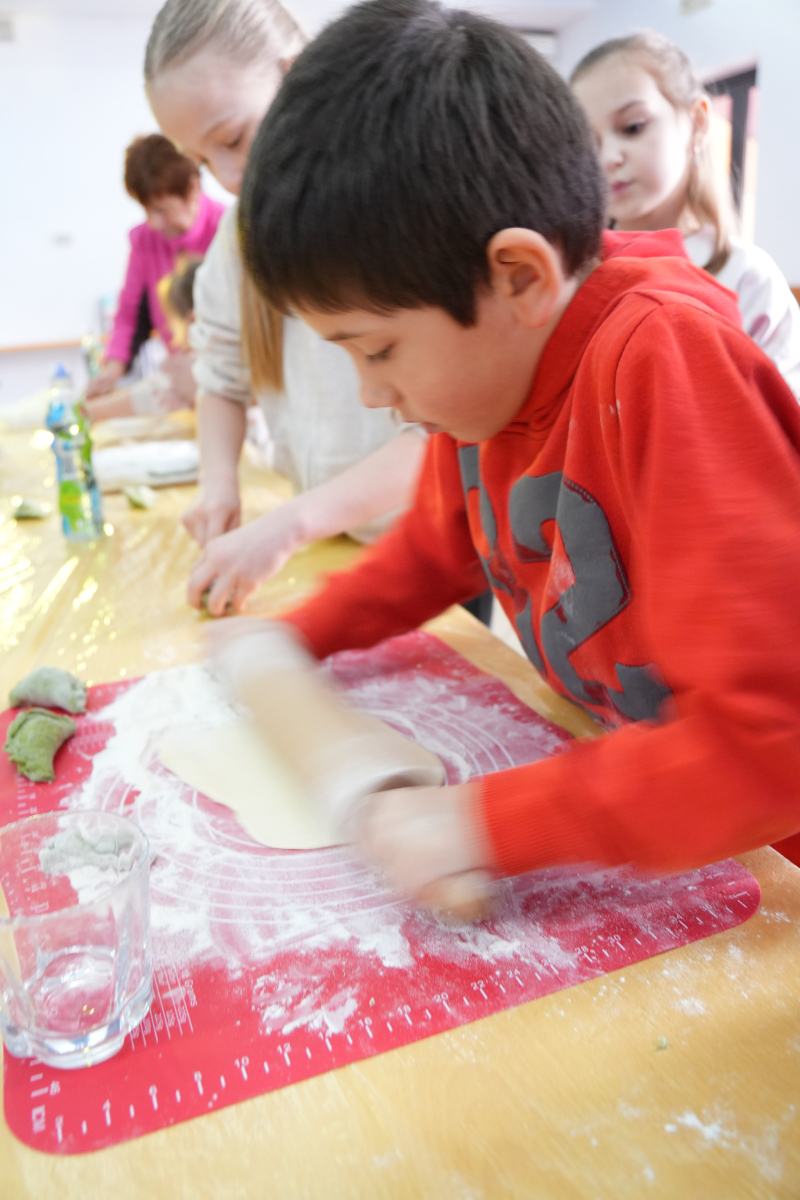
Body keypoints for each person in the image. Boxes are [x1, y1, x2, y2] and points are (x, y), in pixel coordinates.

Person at [212, 0, 800, 912]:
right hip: (660, 809)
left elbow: (771, 748)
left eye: (378, 349)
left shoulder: (663, 363)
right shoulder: (481, 398)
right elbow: (435, 551)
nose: (372, 392)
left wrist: (482, 825)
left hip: (770, 869)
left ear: (519, 277)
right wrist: (297, 636)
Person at [144, 0, 428, 616]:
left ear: (295, 74)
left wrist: (291, 524)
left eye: (233, 139)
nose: (228, 177)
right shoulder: (237, 239)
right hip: (334, 539)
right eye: (201, 161)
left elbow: (442, 435)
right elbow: (222, 378)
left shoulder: (397, 199)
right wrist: (218, 484)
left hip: (433, 547)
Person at [570, 31, 800, 399]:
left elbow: (781, 415)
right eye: (589, 144)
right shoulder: (573, 275)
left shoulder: (747, 277)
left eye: (632, 127)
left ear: (697, 122)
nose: (608, 158)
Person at [87, 134, 225, 400]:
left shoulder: (227, 231)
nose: (154, 222)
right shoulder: (144, 241)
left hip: (226, 374)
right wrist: (111, 372)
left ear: (192, 188)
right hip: (182, 378)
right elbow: (129, 315)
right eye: (147, 210)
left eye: (161, 210)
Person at [83, 256, 203, 422]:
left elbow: (150, 394)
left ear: (192, 319)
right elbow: (127, 318)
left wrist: (86, 411)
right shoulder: (193, 365)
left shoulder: (195, 369)